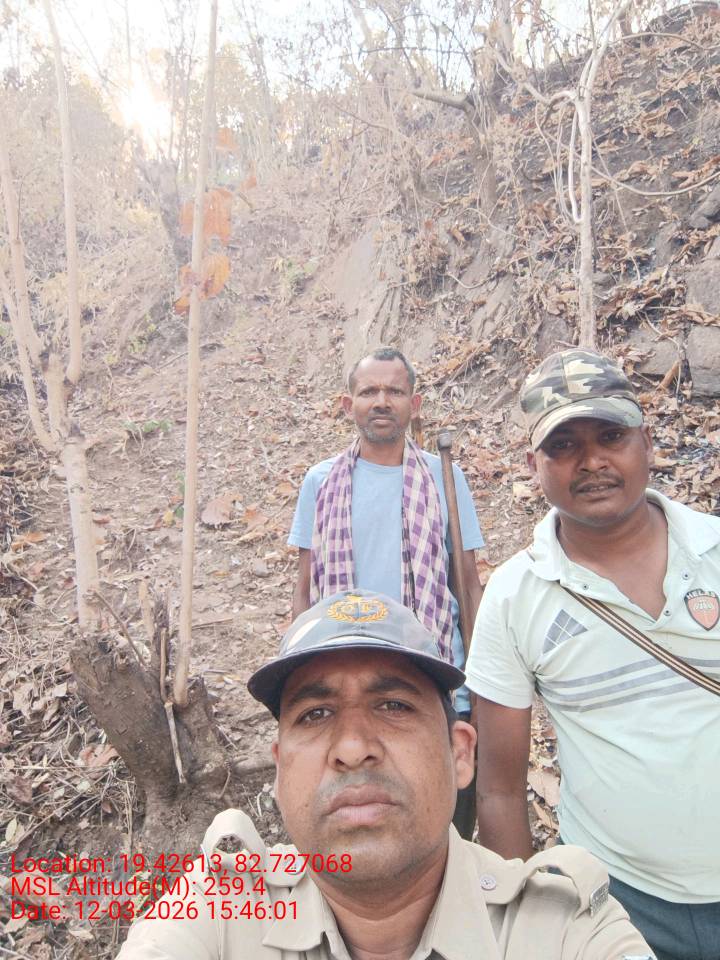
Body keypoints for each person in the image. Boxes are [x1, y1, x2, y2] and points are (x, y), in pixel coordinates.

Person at [117, 590, 654, 960]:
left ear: (460, 753)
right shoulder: (218, 911)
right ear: (279, 773)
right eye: (315, 714)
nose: (353, 749)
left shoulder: (561, 929)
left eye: (394, 706)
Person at [464, 348, 720, 960]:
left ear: (646, 443)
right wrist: (522, 921)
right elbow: (499, 791)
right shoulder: (515, 596)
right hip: (617, 904)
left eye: (611, 436)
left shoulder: (714, 550)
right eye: (564, 446)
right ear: (534, 465)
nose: (592, 462)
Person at [288, 347, 484, 836]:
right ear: (347, 404)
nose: (381, 401)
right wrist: (296, 668)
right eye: (369, 391)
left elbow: (467, 581)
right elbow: (305, 588)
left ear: (413, 405)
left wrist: (480, 678)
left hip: (433, 670)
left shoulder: (443, 477)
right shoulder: (321, 482)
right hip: (345, 669)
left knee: (443, 814)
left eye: (394, 391)